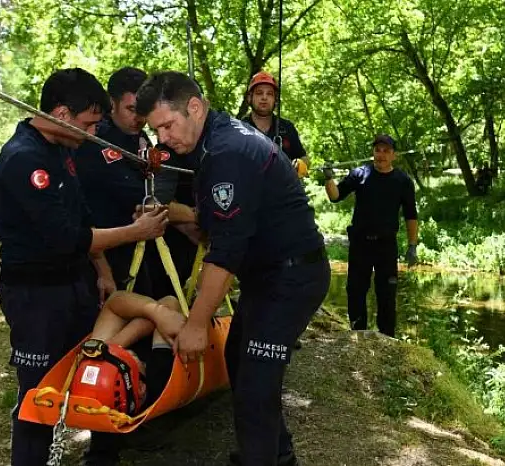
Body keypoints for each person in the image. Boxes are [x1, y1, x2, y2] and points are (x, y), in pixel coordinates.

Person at [135, 71, 330, 466]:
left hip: (291, 277)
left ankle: (262, 457)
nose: (164, 139)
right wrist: (181, 218)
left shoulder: (227, 152)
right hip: (267, 276)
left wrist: (195, 325)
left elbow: (225, 252)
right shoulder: (213, 140)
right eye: (156, 131)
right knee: (241, 363)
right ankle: (277, 454)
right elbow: (220, 226)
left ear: (194, 107)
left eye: (167, 126)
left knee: (256, 387)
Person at [0, 68, 170, 466]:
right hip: (36, 295)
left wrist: (103, 273)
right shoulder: (24, 159)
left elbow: (83, 214)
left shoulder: (62, 149)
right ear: (61, 113)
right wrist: (134, 231)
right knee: (39, 395)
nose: (94, 132)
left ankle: (103, 457)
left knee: (99, 371)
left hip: (77, 284)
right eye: (90, 123)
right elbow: (67, 236)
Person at [74, 66, 196, 301]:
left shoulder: (138, 137)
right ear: (112, 103)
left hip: (139, 247)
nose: (138, 118)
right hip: (105, 253)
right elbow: (142, 197)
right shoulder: (95, 141)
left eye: (142, 111)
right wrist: (192, 216)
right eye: (131, 109)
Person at [323, 134, 419, 337]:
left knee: (387, 294)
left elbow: (411, 215)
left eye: (386, 151)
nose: (381, 155)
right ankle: (358, 334)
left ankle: (387, 338)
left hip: (386, 246)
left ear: (394, 155)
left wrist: (412, 245)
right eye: (378, 150)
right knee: (356, 291)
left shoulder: (403, 181)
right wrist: (329, 178)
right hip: (360, 244)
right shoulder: (360, 173)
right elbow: (335, 196)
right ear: (373, 152)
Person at [70, 291, 186, 423]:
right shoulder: (160, 375)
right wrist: (112, 349)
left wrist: (109, 351)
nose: (124, 353)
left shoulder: (94, 362)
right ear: (142, 387)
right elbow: (170, 304)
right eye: (123, 362)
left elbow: (114, 302)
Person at [241, 71, 309, 178]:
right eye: (259, 93)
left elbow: (303, 157)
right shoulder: (238, 129)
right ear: (250, 98)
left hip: (284, 191)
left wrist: (301, 163)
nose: (264, 97)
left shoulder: (287, 128)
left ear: (275, 100)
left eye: (269, 94)